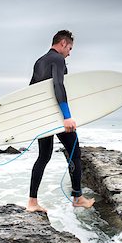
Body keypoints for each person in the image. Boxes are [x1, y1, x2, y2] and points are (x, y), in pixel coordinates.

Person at [26, 30, 95, 213]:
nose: (70, 53)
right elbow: (58, 84)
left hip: (43, 116)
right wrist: (66, 116)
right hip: (56, 115)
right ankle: (78, 198)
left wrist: (35, 117)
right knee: (75, 152)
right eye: (70, 48)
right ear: (63, 43)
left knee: (43, 157)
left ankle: (32, 203)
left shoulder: (40, 61)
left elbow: (32, 90)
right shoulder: (57, 59)